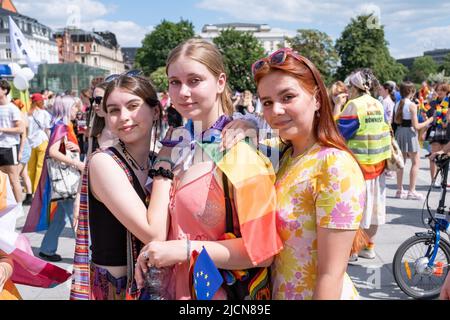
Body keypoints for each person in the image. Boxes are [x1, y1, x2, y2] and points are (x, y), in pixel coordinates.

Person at [134, 39, 282, 300]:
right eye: (174, 82)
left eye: (194, 80)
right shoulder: (176, 145)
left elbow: (263, 251)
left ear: (220, 82)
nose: (183, 92)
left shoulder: (240, 154)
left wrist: (185, 249)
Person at [70, 74, 162, 300]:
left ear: (156, 111)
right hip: (116, 291)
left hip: (155, 289)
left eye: (133, 106)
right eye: (113, 110)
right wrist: (165, 170)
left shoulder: (154, 160)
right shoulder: (104, 163)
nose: (123, 117)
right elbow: (154, 234)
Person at [337, 68, 391, 261]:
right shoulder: (377, 104)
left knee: (356, 211)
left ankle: (352, 251)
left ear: (355, 87)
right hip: (379, 165)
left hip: (359, 168)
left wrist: (337, 107)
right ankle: (369, 247)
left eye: (349, 86)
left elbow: (338, 135)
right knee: (375, 210)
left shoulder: (354, 106)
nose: (348, 90)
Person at [23, 95, 84, 262]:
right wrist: (76, 163)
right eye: (73, 107)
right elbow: (54, 152)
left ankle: (47, 249)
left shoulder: (62, 126)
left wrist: (74, 148)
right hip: (66, 182)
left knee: (61, 218)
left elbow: (60, 149)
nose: (76, 110)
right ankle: (88, 255)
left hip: (63, 182)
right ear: (65, 108)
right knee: (76, 218)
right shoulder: (62, 127)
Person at [393, 82, 434, 200]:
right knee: (416, 162)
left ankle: (399, 190)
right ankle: (411, 191)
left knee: (401, 162)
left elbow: (395, 121)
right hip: (409, 133)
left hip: (399, 132)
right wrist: (430, 120)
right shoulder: (411, 105)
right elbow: (416, 126)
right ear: (411, 91)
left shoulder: (397, 104)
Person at [0, 80, 24, 204]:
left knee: (13, 178)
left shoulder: (12, 108)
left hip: (9, 146)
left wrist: (2, 129)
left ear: (4, 90)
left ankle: (19, 205)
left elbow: (20, 129)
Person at [425, 83, 449, 187]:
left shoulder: (448, 102)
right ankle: (433, 180)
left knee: (444, 156)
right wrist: (428, 120)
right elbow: (423, 110)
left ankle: (444, 180)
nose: (439, 92)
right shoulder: (433, 102)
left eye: (442, 90)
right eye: (438, 90)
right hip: (436, 130)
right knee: (434, 155)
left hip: (447, 130)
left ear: (447, 91)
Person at [27, 93, 52, 194]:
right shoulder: (44, 113)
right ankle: (37, 191)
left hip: (30, 142)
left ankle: (29, 190)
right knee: (40, 167)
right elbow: (47, 129)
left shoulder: (28, 114)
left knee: (30, 167)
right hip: (42, 140)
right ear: (40, 101)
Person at [86, 82, 118, 157]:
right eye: (92, 100)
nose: (94, 104)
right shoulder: (95, 132)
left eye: (98, 99)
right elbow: (87, 164)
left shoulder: (126, 130)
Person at [12, 99, 32, 206]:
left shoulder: (18, 117)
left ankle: (17, 200)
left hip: (22, 146)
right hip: (26, 145)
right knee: (24, 174)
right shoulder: (24, 116)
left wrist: (20, 151)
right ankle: (29, 196)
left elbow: (22, 136)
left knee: (15, 176)